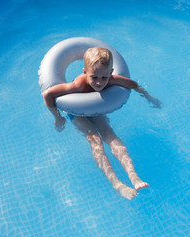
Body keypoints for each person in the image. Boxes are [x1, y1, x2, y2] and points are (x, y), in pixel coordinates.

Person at [42, 47, 162, 200]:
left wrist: (148, 97)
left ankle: (134, 177)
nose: (99, 82)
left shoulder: (111, 79)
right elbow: (48, 94)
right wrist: (57, 116)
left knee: (109, 134)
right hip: (76, 112)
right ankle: (118, 185)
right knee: (95, 140)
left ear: (111, 72)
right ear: (85, 72)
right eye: (94, 77)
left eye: (104, 77)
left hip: (96, 110)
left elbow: (133, 84)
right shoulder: (78, 85)